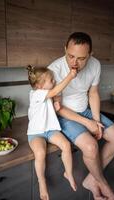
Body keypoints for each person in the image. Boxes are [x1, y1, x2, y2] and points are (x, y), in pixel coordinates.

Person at [48, 32, 114, 200]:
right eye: (70, 56)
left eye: (81, 58)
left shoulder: (95, 65)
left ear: (90, 55)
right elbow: (58, 108)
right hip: (64, 115)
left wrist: (95, 121)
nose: (74, 63)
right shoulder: (54, 70)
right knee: (91, 147)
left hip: (85, 110)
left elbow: (93, 93)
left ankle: (92, 179)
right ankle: (104, 184)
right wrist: (87, 123)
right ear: (65, 49)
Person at [27, 65, 77, 200]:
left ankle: (69, 173)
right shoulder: (36, 94)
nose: (54, 81)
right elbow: (55, 91)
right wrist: (70, 76)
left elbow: (47, 108)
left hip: (50, 130)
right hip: (36, 133)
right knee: (40, 153)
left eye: (54, 79)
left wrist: (55, 104)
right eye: (51, 80)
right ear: (39, 85)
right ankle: (41, 182)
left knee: (66, 145)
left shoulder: (45, 95)